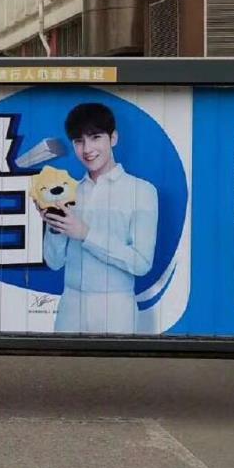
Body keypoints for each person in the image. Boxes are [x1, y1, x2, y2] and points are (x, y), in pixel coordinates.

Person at [40, 103, 158, 334]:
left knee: (114, 361)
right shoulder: (69, 191)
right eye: (79, 141)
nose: (87, 149)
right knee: (62, 360)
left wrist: (86, 234)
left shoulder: (141, 191)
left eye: (95, 137)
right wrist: (54, 226)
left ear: (113, 138)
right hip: (70, 305)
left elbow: (141, 263)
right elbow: (54, 262)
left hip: (116, 306)